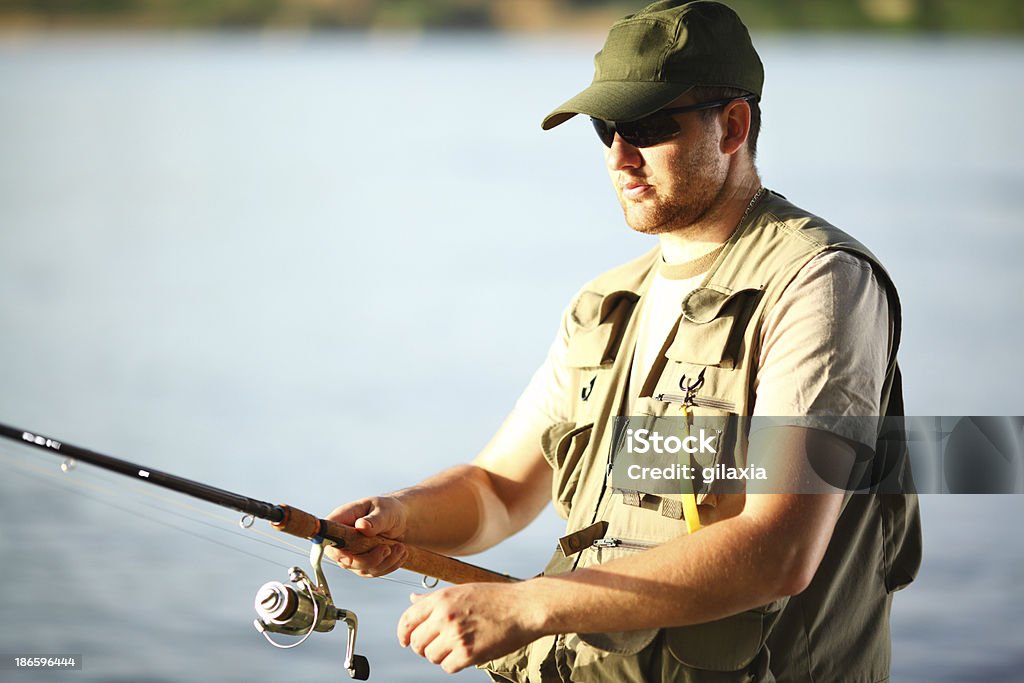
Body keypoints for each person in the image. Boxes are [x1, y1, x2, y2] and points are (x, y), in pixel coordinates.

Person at [326, 1, 922, 681]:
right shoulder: (604, 305)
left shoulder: (819, 282)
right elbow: (497, 491)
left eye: (646, 126)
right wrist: (402, 515)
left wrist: (526, 606)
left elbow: (779, 547)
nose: (619, 156)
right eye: (606, 129)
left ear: (732, 127)